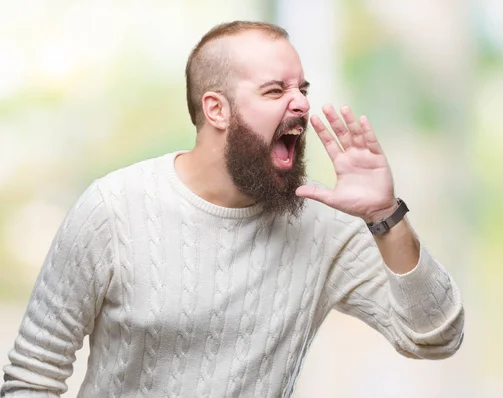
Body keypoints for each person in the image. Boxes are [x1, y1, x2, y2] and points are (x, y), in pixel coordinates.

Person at [1, 21, 464, 397]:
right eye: (274, 90)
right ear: (216, 109)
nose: (301, 103)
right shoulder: (113, 210)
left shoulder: (324, 228)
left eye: (302, 87)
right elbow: (32, 378)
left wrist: (385, 216)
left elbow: (435, 337)